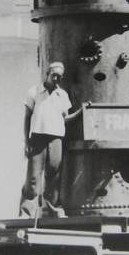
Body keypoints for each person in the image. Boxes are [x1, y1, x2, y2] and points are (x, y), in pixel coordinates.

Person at [20, 61, 83, 218]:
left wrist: (82, 111)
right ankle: (27, 210)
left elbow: (65, 118)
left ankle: (51, 207)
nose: (56, 79)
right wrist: (27, 141)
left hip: (56, 138)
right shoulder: (34, 91)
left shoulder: (62, 95)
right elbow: (27, 118)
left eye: (59, 77)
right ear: (47, 74)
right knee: (33, 176)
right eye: (54, 75)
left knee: (54, 174)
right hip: (38, 137)